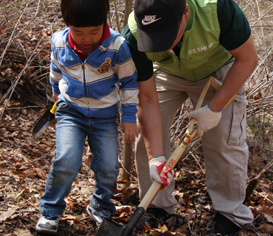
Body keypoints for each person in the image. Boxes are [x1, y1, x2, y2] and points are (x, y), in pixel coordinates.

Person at [122, 0, 257, 234]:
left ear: (185, 13)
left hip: (218, 69)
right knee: (148, 137)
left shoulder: (217, 9)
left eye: (166, 35)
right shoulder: (134, 32)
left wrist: (214, 108)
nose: (161, 45)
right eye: (153, 38)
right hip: (168, 71)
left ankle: (230, 215)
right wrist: (156, 158)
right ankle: (157, 205)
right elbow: (147, 98)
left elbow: (247, 59)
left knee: (223, 140)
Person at [36, 0, 139, 233]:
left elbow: (129, 82)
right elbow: (55, 72)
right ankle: (50, 211)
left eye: (94, 31)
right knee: (66, 159)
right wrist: (55, 96)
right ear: (68, 25)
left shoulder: (116, 46)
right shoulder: (59, 42)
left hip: (105, 117)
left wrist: (129, 116)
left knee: (108, 166)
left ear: (104, 21)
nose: (87, 38)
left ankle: (100, 206)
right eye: (78, 32)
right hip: (71, 111)